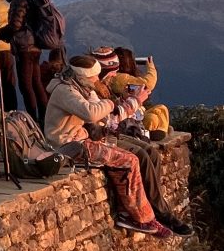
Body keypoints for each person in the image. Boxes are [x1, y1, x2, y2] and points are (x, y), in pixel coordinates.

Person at [44, 56, 172, 238]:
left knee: (128, 158)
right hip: (68, 146)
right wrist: (114, 103)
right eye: (93, 77)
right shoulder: (64, 91)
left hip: (79, 139)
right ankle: (140, 218)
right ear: (83, 77)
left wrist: (126, 104)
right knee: (129, 160)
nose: (96, 80)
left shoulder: (78, 88)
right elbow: (90, 113)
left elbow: (104, 119)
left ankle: (130, 212)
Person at [89, 48, 190, 236]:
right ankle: (160, 212)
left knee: (150, 152)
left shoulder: (104, 86)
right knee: (141, 155)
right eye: (112, 71)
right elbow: (109, 118)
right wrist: (134, 101)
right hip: (100, 134)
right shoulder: (96, 89)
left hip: (109, 129)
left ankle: (153, 204)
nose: (115, 75)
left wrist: (127, 101)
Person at [0, 0, 48, 124]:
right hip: (35, 46)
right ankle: (44, 118)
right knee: (36, 83)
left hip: (24, 47)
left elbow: (15, 24)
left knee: (26, 85)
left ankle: (32, 120)